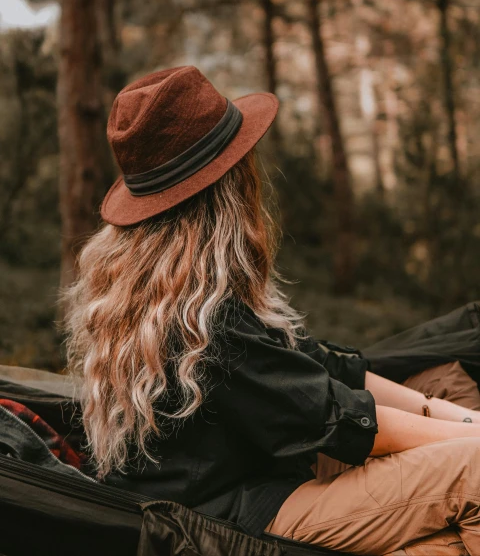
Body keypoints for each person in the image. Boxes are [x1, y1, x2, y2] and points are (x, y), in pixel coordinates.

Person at [65, 66, 480, 556]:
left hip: (254, 475)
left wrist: (457, 420)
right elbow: (337, 419)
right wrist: (466, 437)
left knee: (444, 423)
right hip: (240, 514)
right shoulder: (201, 323)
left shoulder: (170, 293)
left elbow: (326, 367)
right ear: (228, 189)